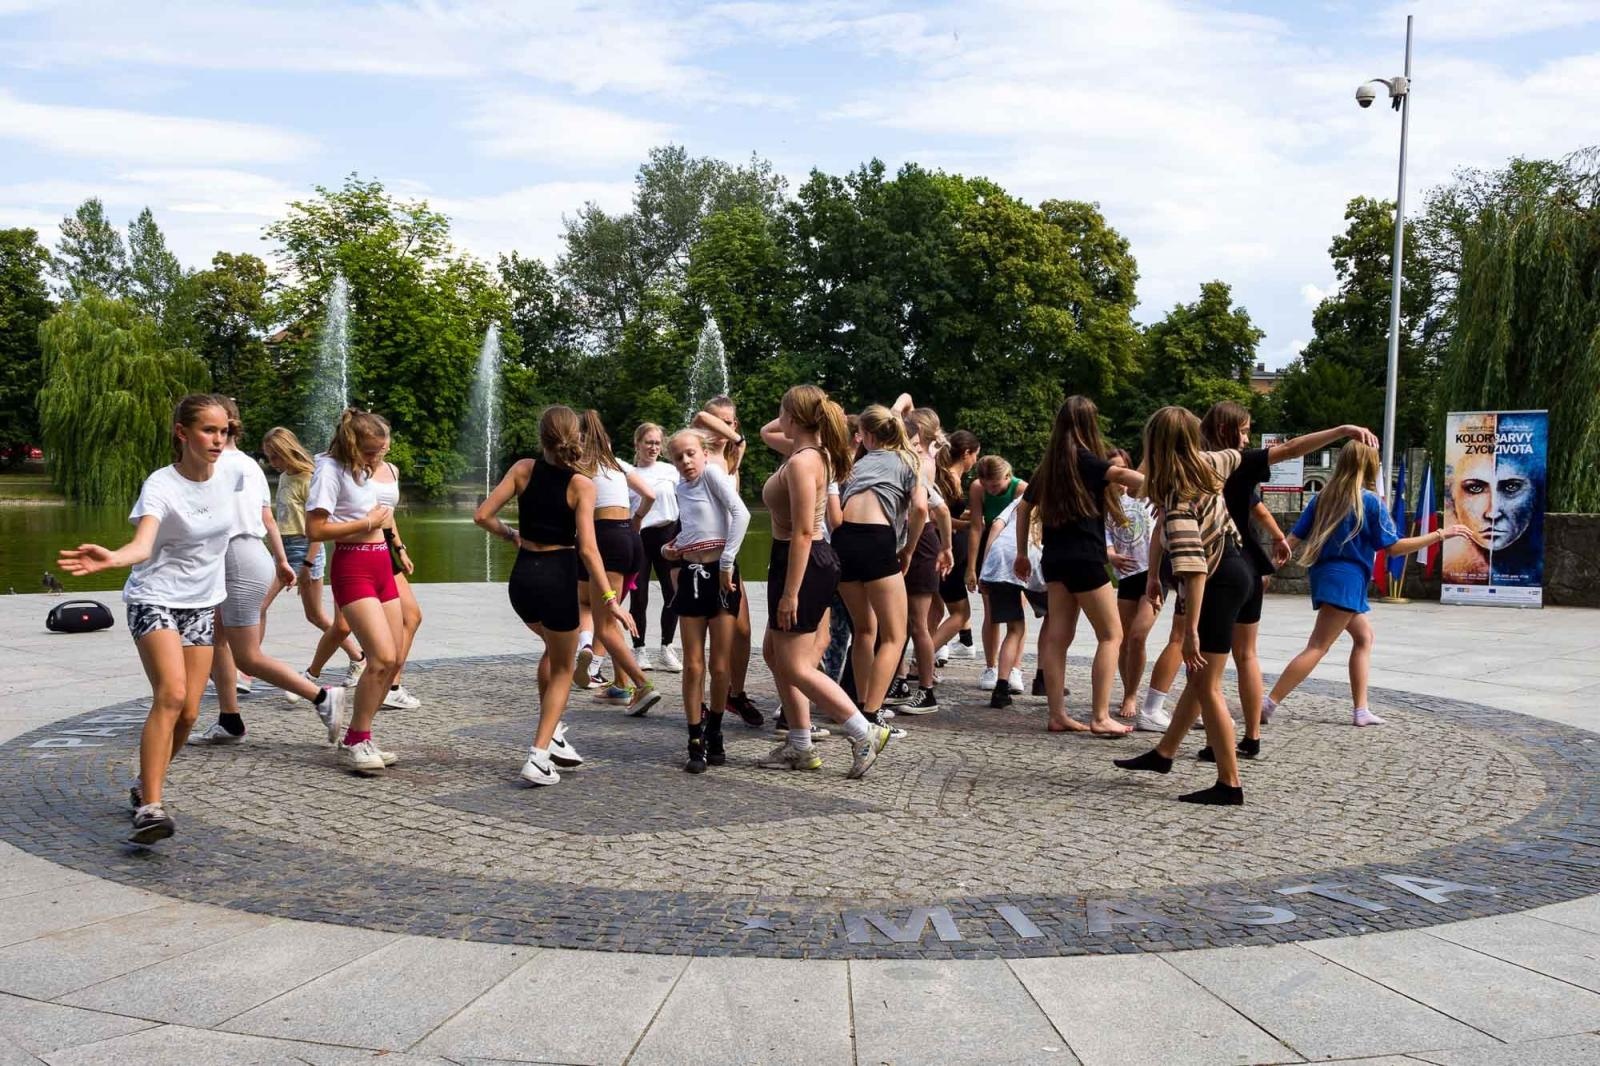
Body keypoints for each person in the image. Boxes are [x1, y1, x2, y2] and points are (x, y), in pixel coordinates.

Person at [59, 394, 236, 844]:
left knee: (192, 712)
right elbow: (143, 545)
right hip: (154, 597)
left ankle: (143, 784)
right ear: (182, 432)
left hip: (201, 602)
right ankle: (151, 808)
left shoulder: (233, 473)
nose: (219, 439)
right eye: (209, 430)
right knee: (172, 695)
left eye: (224, 431)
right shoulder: (162, 484)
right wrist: (113, 557)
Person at [1195, 404, 1379, 760]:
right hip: (1247, 564)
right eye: (1244, 431)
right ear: (1226, 430)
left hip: (1215, 566)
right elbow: (1289, 453)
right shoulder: (1239, 462)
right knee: (1246, 654)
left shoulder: (1202, 465)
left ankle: (1208, 738)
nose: (1247, 438)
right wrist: (1341, 428)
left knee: (1204, 660)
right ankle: (1251, 736)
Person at [475, 405, 632, 785]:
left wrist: (511, 535)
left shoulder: (523, 469)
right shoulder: (582, 485)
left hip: (522, 580)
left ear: (541, 436)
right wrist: (611, 599)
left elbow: (482, 516)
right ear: (575, 438)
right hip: (558, 580)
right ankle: (538, 756)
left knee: (552, 652)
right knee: (563, 669)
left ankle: (555, 732)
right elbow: (590, 551)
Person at [1265, 441, 1470, 727]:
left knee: (1364, 638)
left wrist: (1267, 570)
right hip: (1347, 580)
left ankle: (1361, 710)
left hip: (1327, 576)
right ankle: (1268, 703)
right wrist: (1440, 534)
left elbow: (1291, 541)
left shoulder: (1322, 497)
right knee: (1318, 646)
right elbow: (1394, 547)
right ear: (1369, 465)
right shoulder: (1369, 502)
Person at [1113, 406, 1256, 804]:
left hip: (1218, 583)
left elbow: (1193, 571)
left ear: (1153, 446)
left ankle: (1229, 783)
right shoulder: (1212, 463)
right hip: (1235, 571)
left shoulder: (1178, 500)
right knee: (1200, 681)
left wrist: (1189, 630)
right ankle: (1164, 753)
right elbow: (1283, 450)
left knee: (1206, 684)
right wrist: (1155, 574)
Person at [192, 399, 350, 747]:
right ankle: (229, 719)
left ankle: (323, 698)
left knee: (246, 655)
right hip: (250, 554)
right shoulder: (249, 466)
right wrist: (279, 560)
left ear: (226, 424)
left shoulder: (218, 466)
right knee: (216, 639)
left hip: (236, 557)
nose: (212, 436)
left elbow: (211, 519)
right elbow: (266, 518)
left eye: (212, 426)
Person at [757, 386, 895, 776]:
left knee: (797, 665)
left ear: (795, 417)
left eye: (782, 409)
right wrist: (804, 411)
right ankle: (800, 744)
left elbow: (804, 531)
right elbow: (769, 430)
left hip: (803, 561)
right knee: (775, 655)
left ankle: (863, 731)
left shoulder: (805, 462)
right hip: (797, 560)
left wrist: (790, 593)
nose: (776, 416)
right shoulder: (806, 453)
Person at [1013, 396, 1143, 736]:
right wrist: (1168, 482)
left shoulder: (1049, 467)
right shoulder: (1087, 460)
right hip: (1086, 558)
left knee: (1058, 638)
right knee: (1111, 635)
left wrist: (1021, 553)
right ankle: (1101, 716)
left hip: (1054, 559)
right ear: (1089, 424)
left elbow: (1025, 508)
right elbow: (1126, 476)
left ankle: (1057, 715)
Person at [304, 408, 408, 775]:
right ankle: (355, 740)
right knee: (379, 657)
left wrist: (397, 548)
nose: (378, 458)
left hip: (380, 563)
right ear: (352, 444)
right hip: (353, 567)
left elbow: (382, 514)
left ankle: (361, 735)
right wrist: (367, 522)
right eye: (371, 452)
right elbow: (314, 529)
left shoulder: (359, 469)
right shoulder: (329, 471)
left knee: (393, 660)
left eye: (382, 451)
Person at [662, 428, 750, 773]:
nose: (685, 461)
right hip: (690, 575)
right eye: (678, 457)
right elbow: (695, 528)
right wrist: (672, 547)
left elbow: (740, 514)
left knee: (719, 665)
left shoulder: (713, 473)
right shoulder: (680, 487)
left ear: (704, 452)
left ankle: (715, 728)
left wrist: (727, 562)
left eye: (690, 454)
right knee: (693, 664)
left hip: (721, 576)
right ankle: (694, 737)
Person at [836, 405, 926, 736]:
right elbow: (920, 508)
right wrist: (909, 549)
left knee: (864, 629)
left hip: (844, 541)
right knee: (895, 634)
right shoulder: (909, 461)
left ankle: (860, 709)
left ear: (869, 436)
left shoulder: (856, 464)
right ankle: (873, 715)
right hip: (877, 539)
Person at [257, 427, 364, 683]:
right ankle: (358, 657)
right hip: (285, 548)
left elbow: (318, 528)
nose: (272, 463)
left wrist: (306, 563)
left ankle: (248, 664)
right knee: (313, 615)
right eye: (269, 457)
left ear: (288, 451)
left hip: (306, 549)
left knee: (258, 606)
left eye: (275, 456)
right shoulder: (285, 477)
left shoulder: (310, 478)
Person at [575, 411, 663, 716]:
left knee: (605, 624)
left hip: (605, 538)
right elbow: (649, 494)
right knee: (606, 615)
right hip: (629, 538)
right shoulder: (617, 464)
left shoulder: (580, 467)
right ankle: (621, 686)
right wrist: (637, 519)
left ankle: (643, 685)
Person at [691, 398, 763, 727]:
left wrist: (736, 444)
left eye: (732, 422)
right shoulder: (699, 455)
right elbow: (700, 415)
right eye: (720, 422)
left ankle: (735, 693)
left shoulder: (733, 457)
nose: (725, 427)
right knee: (705, 635)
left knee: (743, 631)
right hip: (699, 555)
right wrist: (734, 436)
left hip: (727, 556)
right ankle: (701, 702)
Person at [892, 403, 953, 714]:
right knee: (902, 621)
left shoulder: (918, 463)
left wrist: (945, 547)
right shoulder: (920, 459)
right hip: (916, 541)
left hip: (919, 542)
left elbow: (939, 509)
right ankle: (901, 679)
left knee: (918, 623)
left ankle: (926, 690)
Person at [1104, 447, 1160, 722]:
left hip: (1154, 572)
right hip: (1127, 575)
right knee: (1125, 640)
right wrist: (1111, 555)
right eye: (1114, 471)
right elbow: (1102, 539)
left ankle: (1132, 694)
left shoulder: (1145, 492)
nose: (1121, 477)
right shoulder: (1104, 504)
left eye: (1123, 469)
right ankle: (1130, 691)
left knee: (1138, 636)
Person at [977, 493, 1048, 709]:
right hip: (1032, 557)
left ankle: (1001, 687)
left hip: (999, 559)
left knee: (1014, 629)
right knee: (1053, 615)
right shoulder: (1059, 499)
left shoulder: (1021, 500)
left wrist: (985, 567)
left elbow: (997, 526)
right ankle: (1043, 679)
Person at [967, 456, 1026, 692]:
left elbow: (1025, 525)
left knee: (1016, 613)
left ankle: (1015, 668)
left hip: (1014, 546)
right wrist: (972, 567)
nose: (991, 489)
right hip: (989, 548)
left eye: (996, 485)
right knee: (991, 610)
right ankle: (991, 666)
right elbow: (975, 527)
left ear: (1008, 476)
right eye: (987, 485)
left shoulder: (1021, 489)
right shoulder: (977, 488)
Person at [628, 422, 683, 672]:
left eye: (657, 443)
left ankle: (667, 647)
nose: (653, 447)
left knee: (672, 592)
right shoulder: (628, 473)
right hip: (639, 536)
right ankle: (639, 649)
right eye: (648, 442)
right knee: (638, 596)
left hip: (668, 534)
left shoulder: (671, 471)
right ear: (637, 443)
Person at [931, 430, 980, 665]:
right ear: (967, 453)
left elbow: (950, 513)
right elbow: (940, 516)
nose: (976, 462)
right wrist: (972, 524)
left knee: (941, 611)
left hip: (950, 548)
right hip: (946, 549)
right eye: (975, 456)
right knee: (960, 614)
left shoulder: (951, 478)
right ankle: (923, 658)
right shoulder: (949, 478)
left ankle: (924, 659)